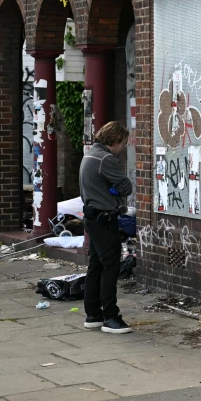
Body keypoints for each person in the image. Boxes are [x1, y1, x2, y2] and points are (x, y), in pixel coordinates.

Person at [80, 121, 134, 334]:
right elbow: (127, 186)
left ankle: (93, 314)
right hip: (104, 219)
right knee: (111, 267)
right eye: (123, 143)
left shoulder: (90, 154)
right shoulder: (106, 158)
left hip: (92, 216)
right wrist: (116, 191)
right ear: (114, 141)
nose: (124, 147)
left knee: (96, 266)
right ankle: (111, 317)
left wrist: (111, 188)